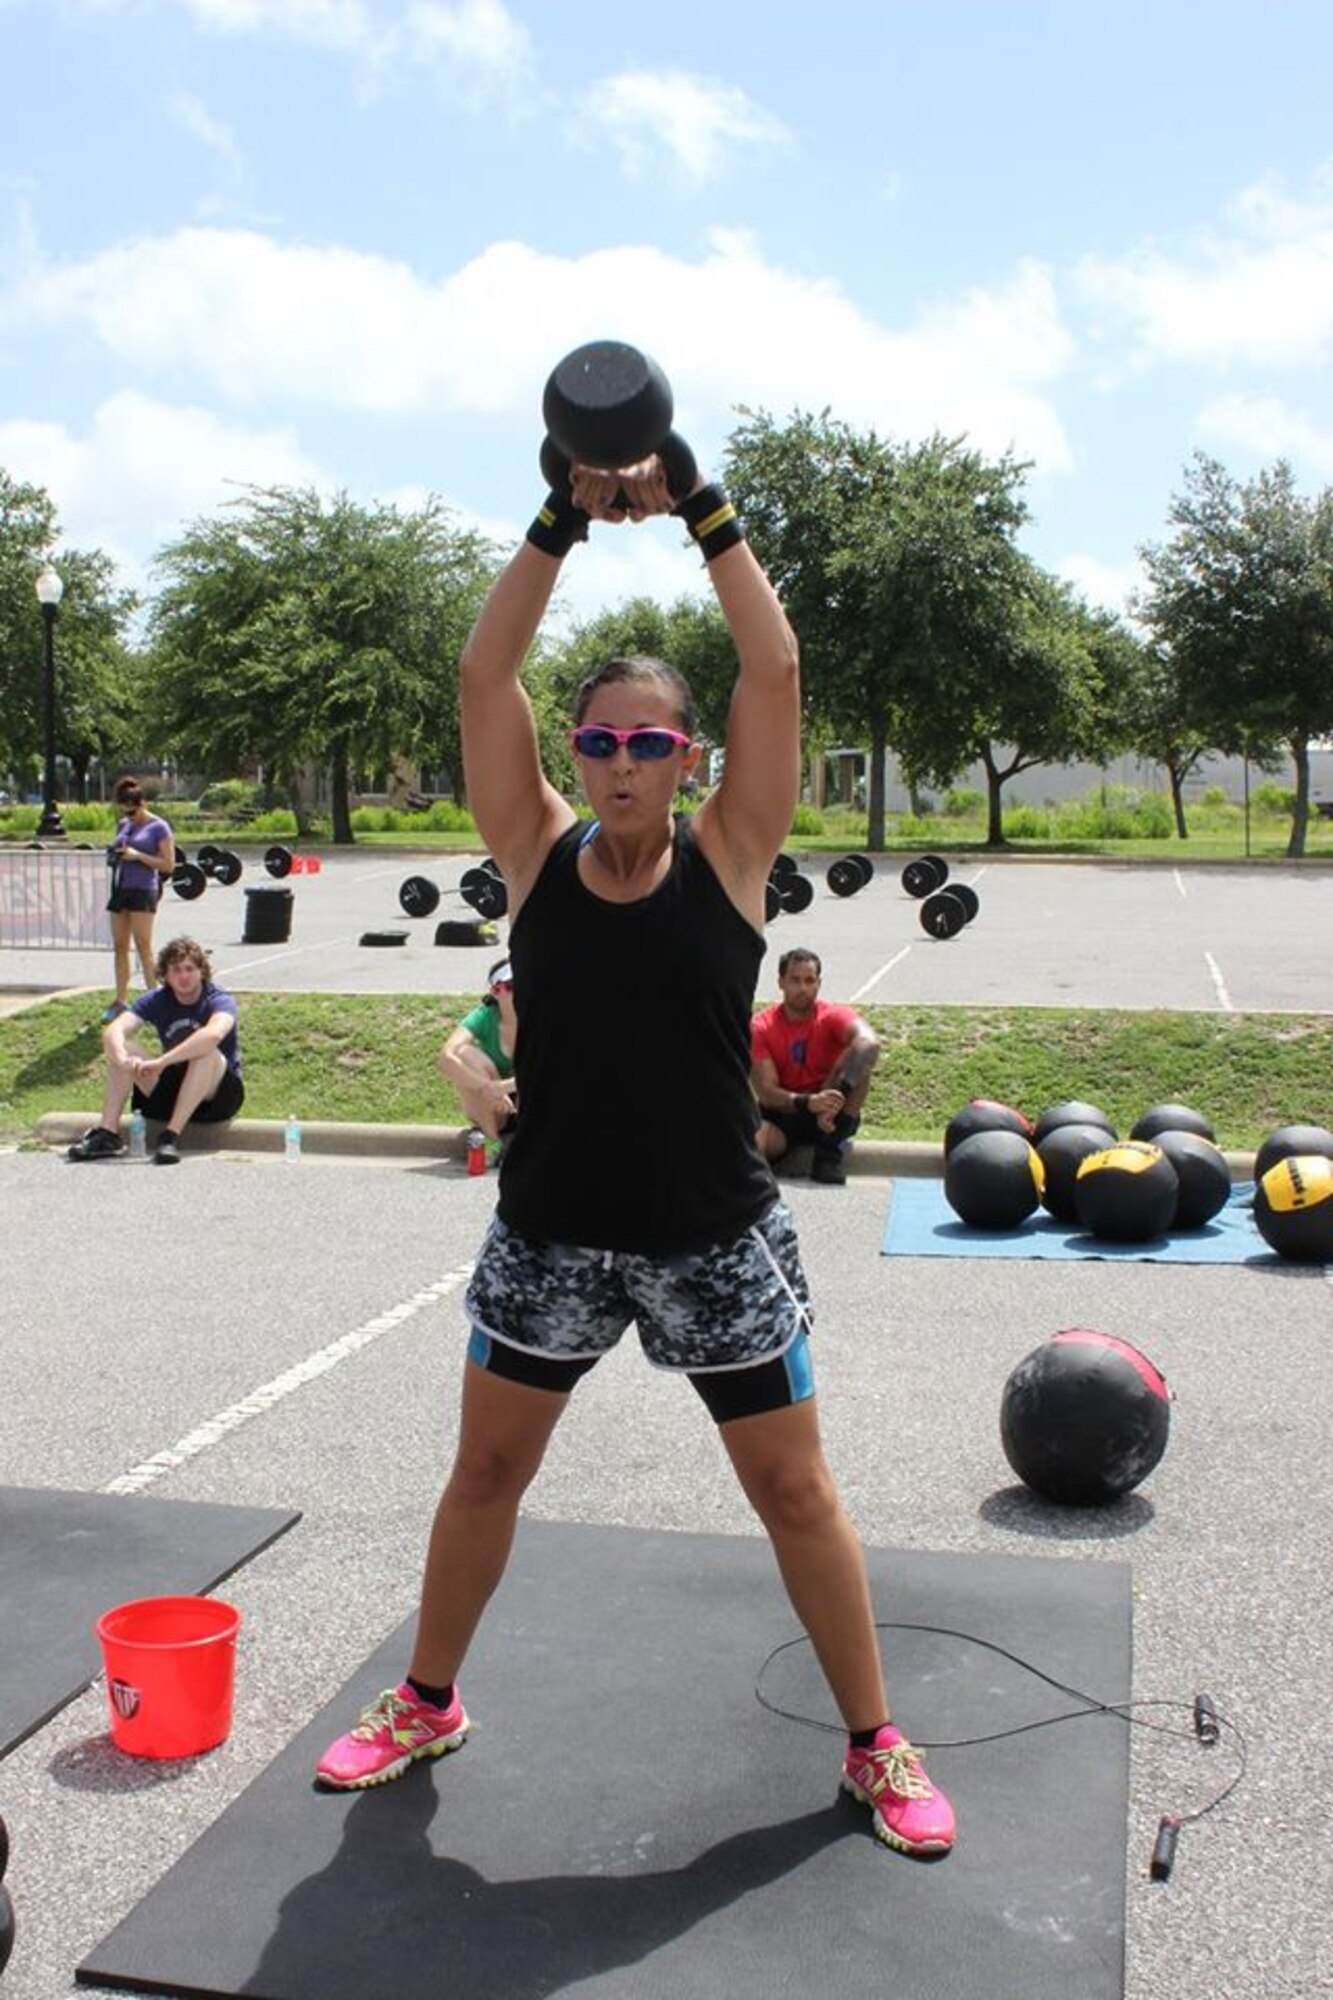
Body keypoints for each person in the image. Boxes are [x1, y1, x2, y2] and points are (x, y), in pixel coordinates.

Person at [314, 433, 955, 1858]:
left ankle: (874, 1741)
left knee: (793, 1487)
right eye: (595, 739)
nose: (614, 760)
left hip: (711, 1239)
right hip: (548, 1234)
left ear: (689, 762)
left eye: (645, 741)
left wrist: (703, 513)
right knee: (484, 1476)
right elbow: (487, 681)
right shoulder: (534, 852)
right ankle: (427, 1699)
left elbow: (773, 672)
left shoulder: (730, 855)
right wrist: (563, 517)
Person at [67, 936, 245, 1165]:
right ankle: (108, 1134)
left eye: (190, 969)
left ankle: (170, 1137)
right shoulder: (157, 1000)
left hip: (217, 1097)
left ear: (201, 971)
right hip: (173, 1091)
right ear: (165, 975)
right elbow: (114, 1030)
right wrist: (123, 1061)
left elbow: (212, 1035)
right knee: (125, 1048)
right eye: (176, 970)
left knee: (205, 1052)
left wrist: (161, 1061)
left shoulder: (219, 999)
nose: (183, 976)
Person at [751, 948, 881, 1185]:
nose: (803, 988)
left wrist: (833, 1100)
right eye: (795, 980)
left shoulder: (832, 1015)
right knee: (749, 1144)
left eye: (810, 981)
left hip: (828, 1115)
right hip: (784, 1115)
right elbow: (767, 1093)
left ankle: (828, 1153)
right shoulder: (761, 1026)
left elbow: (870, 1043)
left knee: (860, 1058)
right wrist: (808, 1103)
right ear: (781, 983)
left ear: (819, 984)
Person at [103, 776, 175, 1024]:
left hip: (144, 889)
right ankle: (121, 1000)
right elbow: (121, 850)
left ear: (142, 803)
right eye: (125, 812)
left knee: (143, 944)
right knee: (120, 945)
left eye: (133, 811)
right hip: (122, 887)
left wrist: (137, 856)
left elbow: (168, 864)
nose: (130, 816)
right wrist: (115, 854)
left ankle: (153, 999)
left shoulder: (159, 827)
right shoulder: (123, 825)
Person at [438, 957, 518, 1142]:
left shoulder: (541, 1014)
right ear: (496, 992)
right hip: (495, 1106)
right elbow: (446, 1059)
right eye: (512, 986)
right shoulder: (484, 1017)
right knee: (463, 1054)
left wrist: (505, 1087)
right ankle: (492, 1142)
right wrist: (488, 1088)